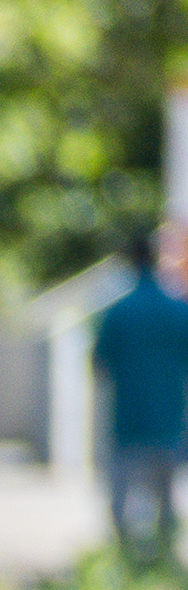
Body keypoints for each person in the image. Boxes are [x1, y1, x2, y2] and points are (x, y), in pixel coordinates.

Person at [92, 220, 188, 558]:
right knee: (166, 505)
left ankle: (125, 564)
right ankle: (162, 563)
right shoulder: (178, 310)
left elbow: (100, 362)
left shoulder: (118, 311)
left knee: (121, 505)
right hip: (169, 421)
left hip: (128, 422)